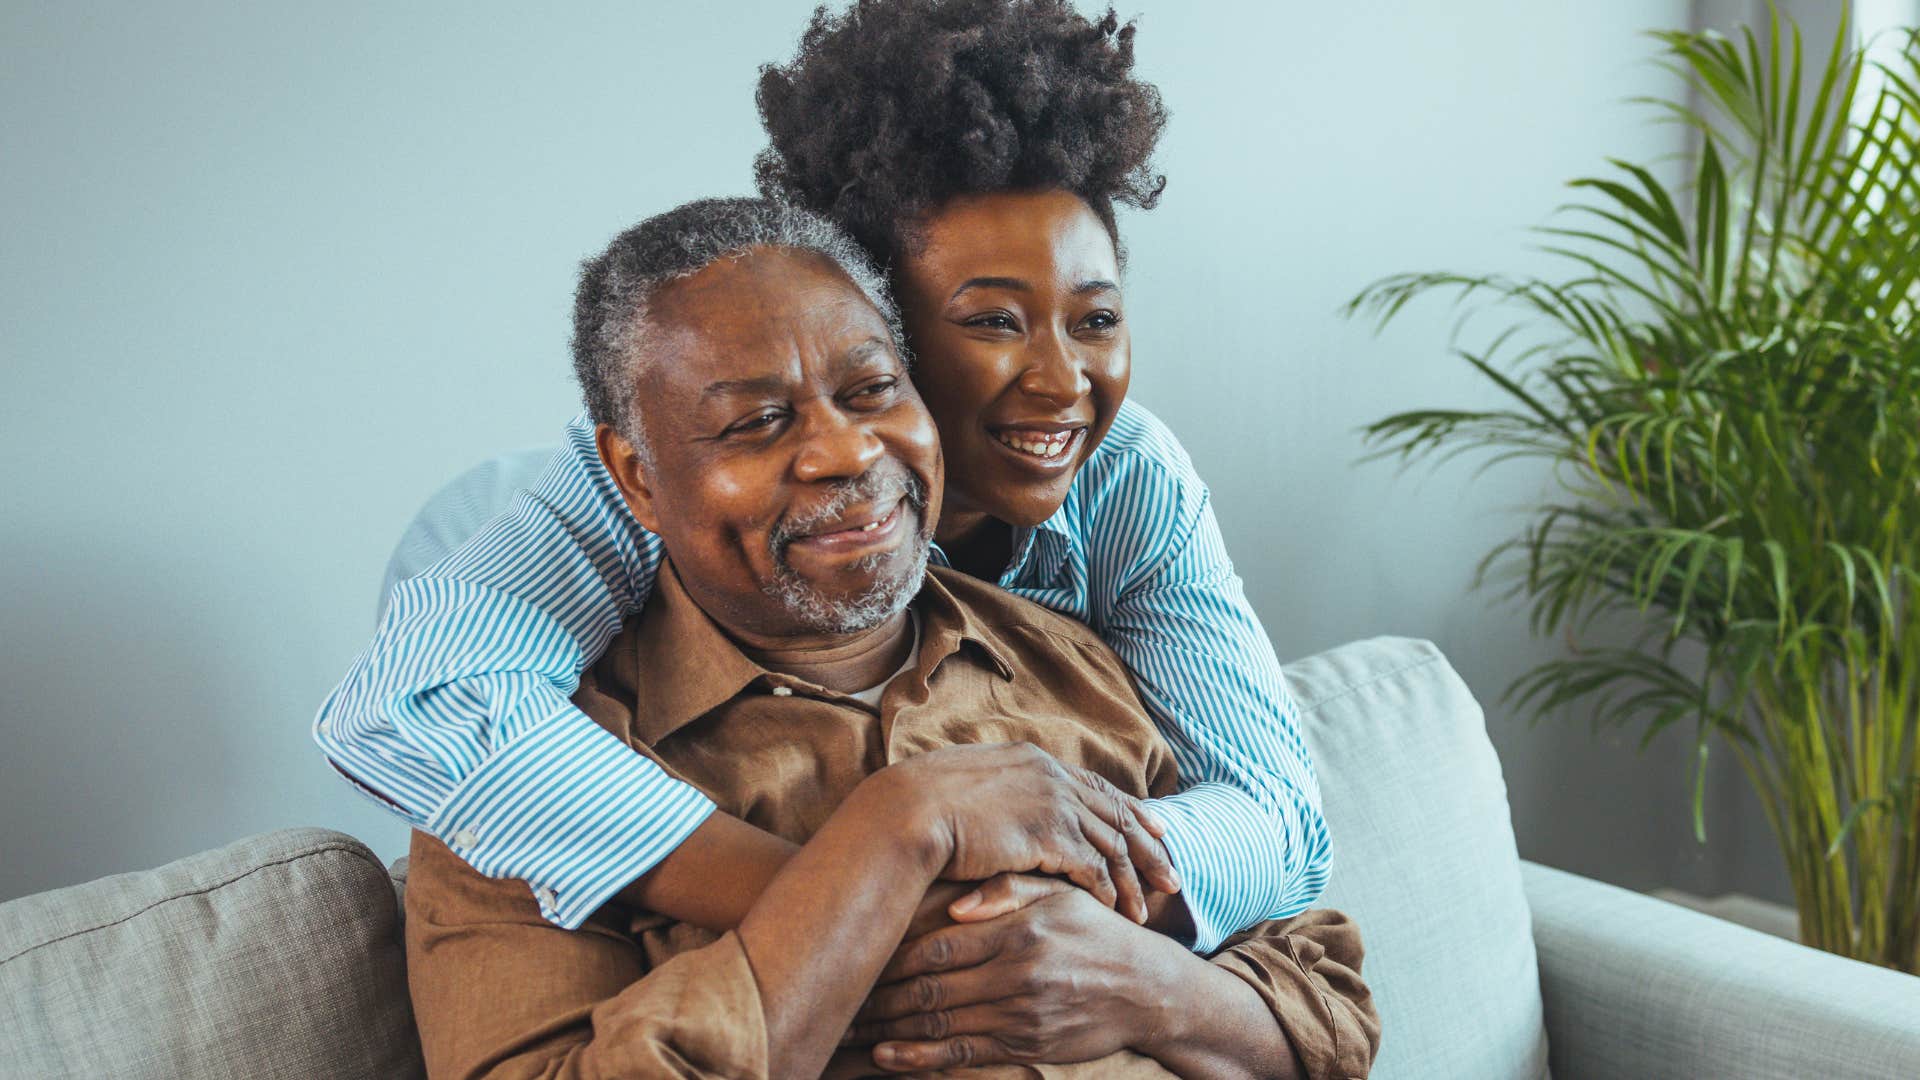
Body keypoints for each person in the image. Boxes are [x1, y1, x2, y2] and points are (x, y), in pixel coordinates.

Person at [317, 0, 1326, 962]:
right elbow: (412, 702)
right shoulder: (666, 483)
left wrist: (1050, 915)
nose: (1064, 385)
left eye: (1096, 320)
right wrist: (852, 901)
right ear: (869, 320)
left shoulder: (1129, 475)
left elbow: (1280, 817)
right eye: (991, 321)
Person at [403, 195, 1377, 1080]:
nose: (845, 451)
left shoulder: (1072, 653)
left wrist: (1143, 985)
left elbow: (1326, 1004)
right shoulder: (513, 791)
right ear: (638, 477)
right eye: (759, 421)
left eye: (871, 392)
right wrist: (892, 837)